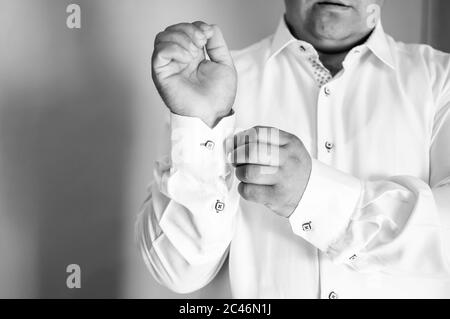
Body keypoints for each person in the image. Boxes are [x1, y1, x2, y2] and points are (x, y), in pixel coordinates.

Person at [136, 0, 450, 298]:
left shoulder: (442, 81)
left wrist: (311, 194)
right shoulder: (208, 82)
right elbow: (178, 272)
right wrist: (201, 124)